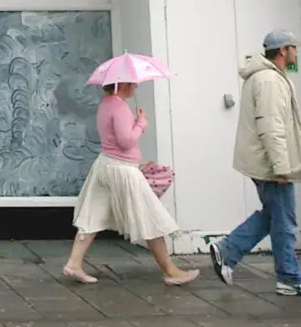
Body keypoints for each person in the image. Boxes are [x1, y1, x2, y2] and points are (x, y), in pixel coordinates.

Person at [207, 29, 301, 296]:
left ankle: (229, 250)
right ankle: (290, 277)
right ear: (283, 50)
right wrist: (281, 166)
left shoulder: (267, 77)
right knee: (285, 220)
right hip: (271, 164)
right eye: (294, 47)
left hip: (265, 161)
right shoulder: (270, 80)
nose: (297, 52)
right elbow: (271, 126)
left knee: (275, 214)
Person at [61, 82, 199, 286]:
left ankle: (74, 263)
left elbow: (114, 139)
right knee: (151, 216)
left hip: (105, 165)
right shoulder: (119, 107)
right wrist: (141, 123)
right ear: (121, 84)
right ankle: (171, 271)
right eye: (132, 83)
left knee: (93, 214)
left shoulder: (106, 104)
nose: (135, 86)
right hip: (123, 171)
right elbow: (126, 141)